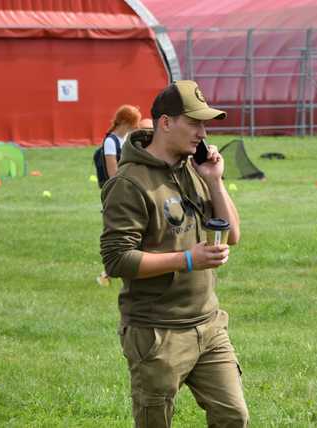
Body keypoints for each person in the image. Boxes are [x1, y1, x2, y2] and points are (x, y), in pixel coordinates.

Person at [100, 80, 248, 427]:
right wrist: (187, 260)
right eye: (194, 122)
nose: (202, 132)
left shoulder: (194, 169)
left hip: (209, 325)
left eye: (205, 123)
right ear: (165, 123)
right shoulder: (129, 183)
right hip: (157, 334)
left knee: (233, 416)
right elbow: (117, 260)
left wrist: (214, 181)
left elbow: (234, 234)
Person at [96, 105, 142, 287]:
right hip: (118, 193)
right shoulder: (111, 142)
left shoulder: (124, 140)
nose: (134, 128)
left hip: (129, 191)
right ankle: (108, 272)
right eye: (132, 124)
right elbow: (113, 173)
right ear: (124, 122)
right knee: (120, 235)